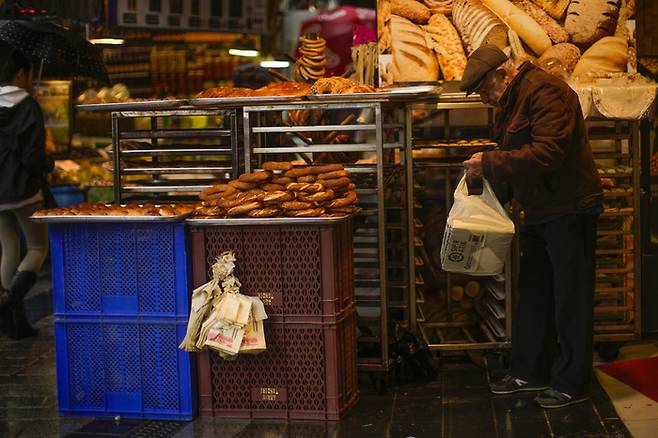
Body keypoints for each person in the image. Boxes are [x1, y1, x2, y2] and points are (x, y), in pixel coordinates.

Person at [460, 45, 603, 409]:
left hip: (569, 208)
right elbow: (517, 156)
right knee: (535, 294)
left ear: (503, 74)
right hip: (539, 210)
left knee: (571, 299)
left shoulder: (546, 92)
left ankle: (573, 383)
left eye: (482, 89)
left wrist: (489, 163)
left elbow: (548, 152)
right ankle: (529, 371)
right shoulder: (511, 102)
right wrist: (488, 198)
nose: (482, 97)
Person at [0, 48, 53, 339]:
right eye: (30, 73)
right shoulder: (28, 106)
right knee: (36, 249)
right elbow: (32, 157)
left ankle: (13, 323)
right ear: (21, 74)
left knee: (9, 247)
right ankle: (9, 300)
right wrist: (49, 164)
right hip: (23, 190)